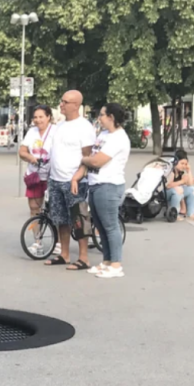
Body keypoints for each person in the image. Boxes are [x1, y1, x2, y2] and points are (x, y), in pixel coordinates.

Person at [44, 90, 96, 271]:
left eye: (65, 102)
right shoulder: (60, 125)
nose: (61, 105)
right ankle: (64, 254)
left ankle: (83, 258)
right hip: (56, 179)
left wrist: (78, 176)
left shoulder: (84, 127)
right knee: (61, 218)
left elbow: (88, 157)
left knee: (79, 218)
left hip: (74, 181)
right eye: (61, 101)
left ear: (76, 105)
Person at [78, 103, 130, 279]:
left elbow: (97, 161)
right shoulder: (105, 134)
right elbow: (93, 157)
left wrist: (84, 159)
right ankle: (107, 261)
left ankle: (116, 264)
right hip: (95, 183)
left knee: (110, 226)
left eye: (101, 115)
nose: (99, 118)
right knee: (99, 225)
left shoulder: (118, 138)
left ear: (111, 117)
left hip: (109, 185)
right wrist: (89, 159)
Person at [19, 105, 55, 216]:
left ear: (48, 117)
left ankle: (56, 233)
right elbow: (22, 151)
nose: (38, 120)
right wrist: (31, 158)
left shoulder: (56, 131)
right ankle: (37, 234)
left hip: (53, 176)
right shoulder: (31, 132)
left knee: (55, 211)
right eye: (35, 117)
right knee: (34, 208)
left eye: (41, 117)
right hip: (34, 176)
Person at [166, 150, 194, 222]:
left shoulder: (181, 172)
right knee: (179, 190)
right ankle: (174, 213)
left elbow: (190, 183)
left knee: (192, 190)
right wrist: (181, 181)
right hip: (166, 193)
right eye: (182, 163)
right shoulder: (171, 171)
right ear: (176, 162)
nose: (184, 166)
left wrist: (189, 171)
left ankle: (190, 213)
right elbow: (168, 185)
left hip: (176, 192)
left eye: (185, 164)